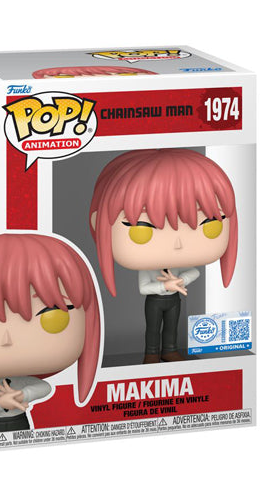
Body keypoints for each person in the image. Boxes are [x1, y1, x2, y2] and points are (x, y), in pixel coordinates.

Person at [89, 149, 238, 363]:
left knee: (171, 327)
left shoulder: (178, 264)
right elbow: (143, 288)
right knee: (153, 329)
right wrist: (164, 286)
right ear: (98, 223)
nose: (177, 244)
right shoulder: (149, 266)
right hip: (155, 301)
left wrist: (180, 280)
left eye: (209, 225)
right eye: (142, 230)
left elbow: (194, 272)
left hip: (174, 300)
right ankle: (151, 353)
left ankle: (169, 350)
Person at [0, 233, 101, 432]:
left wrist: (23, 395)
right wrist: (0, 404)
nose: (7, 339)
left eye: (51, 316)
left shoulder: (20, 378)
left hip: (20, 422)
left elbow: (44, 388)